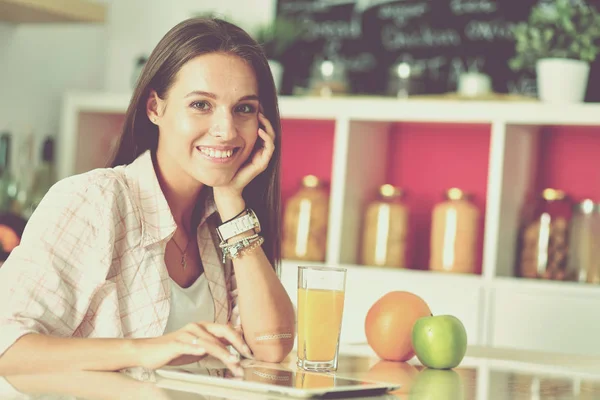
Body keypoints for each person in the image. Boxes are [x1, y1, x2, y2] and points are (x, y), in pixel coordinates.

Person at [0, 17, 295, 376]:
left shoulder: (222, 223)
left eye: (244, 108)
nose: (226, 130)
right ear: (155, 107)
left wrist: (231, 202)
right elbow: (8, 347)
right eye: (201, 104)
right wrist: (147, 350)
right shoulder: (94, 201)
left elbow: (272, 346)